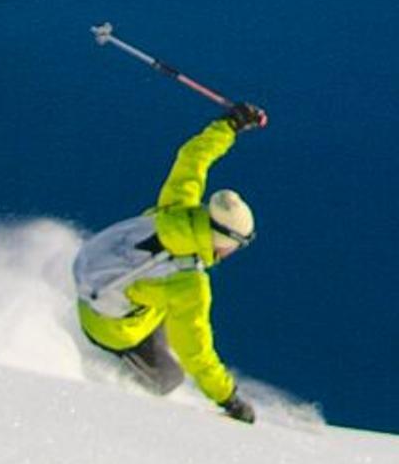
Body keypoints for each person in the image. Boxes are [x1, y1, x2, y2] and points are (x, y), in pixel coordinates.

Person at [73, 102, 266, 421]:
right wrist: (229, 398)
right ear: (223, 239)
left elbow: (194, 157)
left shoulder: (177, 206)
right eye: (237, 245)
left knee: (166, 314)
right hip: (109, 330)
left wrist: (230, 125)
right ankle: (108, 387)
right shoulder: (188, 284)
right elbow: (197, 351)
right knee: (170, 377)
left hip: (100, 288)